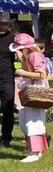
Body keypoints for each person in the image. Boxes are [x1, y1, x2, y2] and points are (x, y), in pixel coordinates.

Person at [11, 33, 50, 163]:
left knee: (33, 122)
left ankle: (35, 151)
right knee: (26, 121)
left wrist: (23, 73)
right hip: (30, 92)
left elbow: (42, 74)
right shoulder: (29, 56)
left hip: (35, 92)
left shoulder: (34, 56)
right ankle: (35, 149)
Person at [0, 13, 16, 147]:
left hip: (7, 79)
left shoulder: (13, 38)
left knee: (8, 109)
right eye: (0, 24)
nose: (2, 26)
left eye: (5, 24)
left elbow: (25, 52)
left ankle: (6, 138)